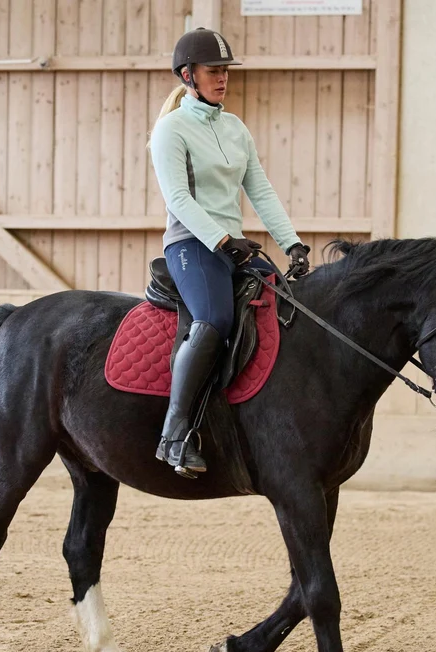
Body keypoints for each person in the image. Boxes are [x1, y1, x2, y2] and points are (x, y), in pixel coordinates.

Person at [148, 27, 311, 477]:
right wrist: (221, 240)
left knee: (289, 307)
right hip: (191, 245)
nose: (223, 79)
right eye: (213, 71)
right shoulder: (170, 130)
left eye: (225, 71)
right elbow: (178, 199)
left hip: (233, 246)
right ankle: (174, 435)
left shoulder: (235, 128)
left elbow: (260, 190)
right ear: (188, 75)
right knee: (215, 320)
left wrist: (291, 241)